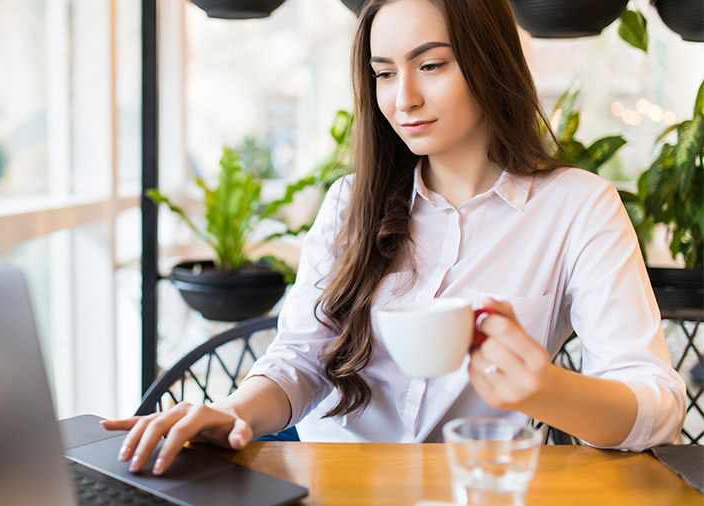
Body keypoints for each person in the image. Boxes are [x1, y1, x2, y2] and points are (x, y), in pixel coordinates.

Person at [104, 0, 687, 475]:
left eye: (431, 65)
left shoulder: (576, 206)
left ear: (490, 63)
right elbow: (299, 361)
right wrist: (231, 413)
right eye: (384, 73)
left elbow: (656, 404)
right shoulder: (348, 204)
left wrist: (544, 390)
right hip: (331, 482)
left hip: (468, 485)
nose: (402, 98)